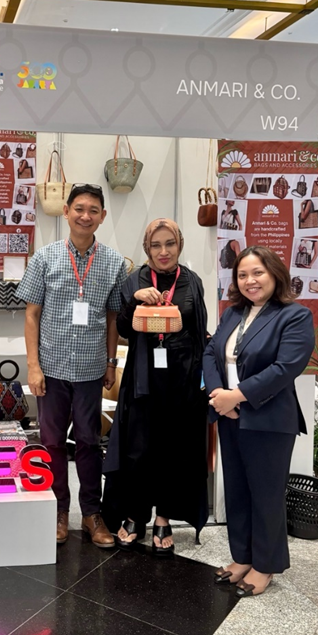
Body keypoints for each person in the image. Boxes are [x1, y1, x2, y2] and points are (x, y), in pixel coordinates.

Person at [17, 184, 127, 548]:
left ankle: (92, 515)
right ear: (65, 211)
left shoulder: (114, 262)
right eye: (79, 208)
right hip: (50, 369)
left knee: (89, 442)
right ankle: (58, 510)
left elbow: (113, 318)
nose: (85, 216)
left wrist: (111, 362)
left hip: (91, 370)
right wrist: (33, 366)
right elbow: (31, 315)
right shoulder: (44, 258)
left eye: (93, 210)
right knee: (51, 442)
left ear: (102, 216)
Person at [203, 246, 314, 596]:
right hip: (229, 415)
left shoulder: (294, 316)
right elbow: (211, 352)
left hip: (268, 419)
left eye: (257, 273)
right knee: (236, 489)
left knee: (265, 494)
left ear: (274, 274)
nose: (250, 281)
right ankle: (243, 557)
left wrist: (237, 396)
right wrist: (220, 395)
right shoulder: (233, 313)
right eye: (242, 275)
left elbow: (285, 368)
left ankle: (265, 565)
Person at [102, 219, 209, 554]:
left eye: (170, 244)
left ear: (179, 245)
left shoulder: (192, 282)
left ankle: (164, 517)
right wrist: (134, 300)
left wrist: (204, 380)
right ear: (147, 249)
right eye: (156, 245)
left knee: (173, 451)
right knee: (139, 449)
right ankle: (135, 514)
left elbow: (199, 329)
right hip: (143, 379)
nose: (164, 252)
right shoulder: (134, 280)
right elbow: (121, 328)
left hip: (182, 379)